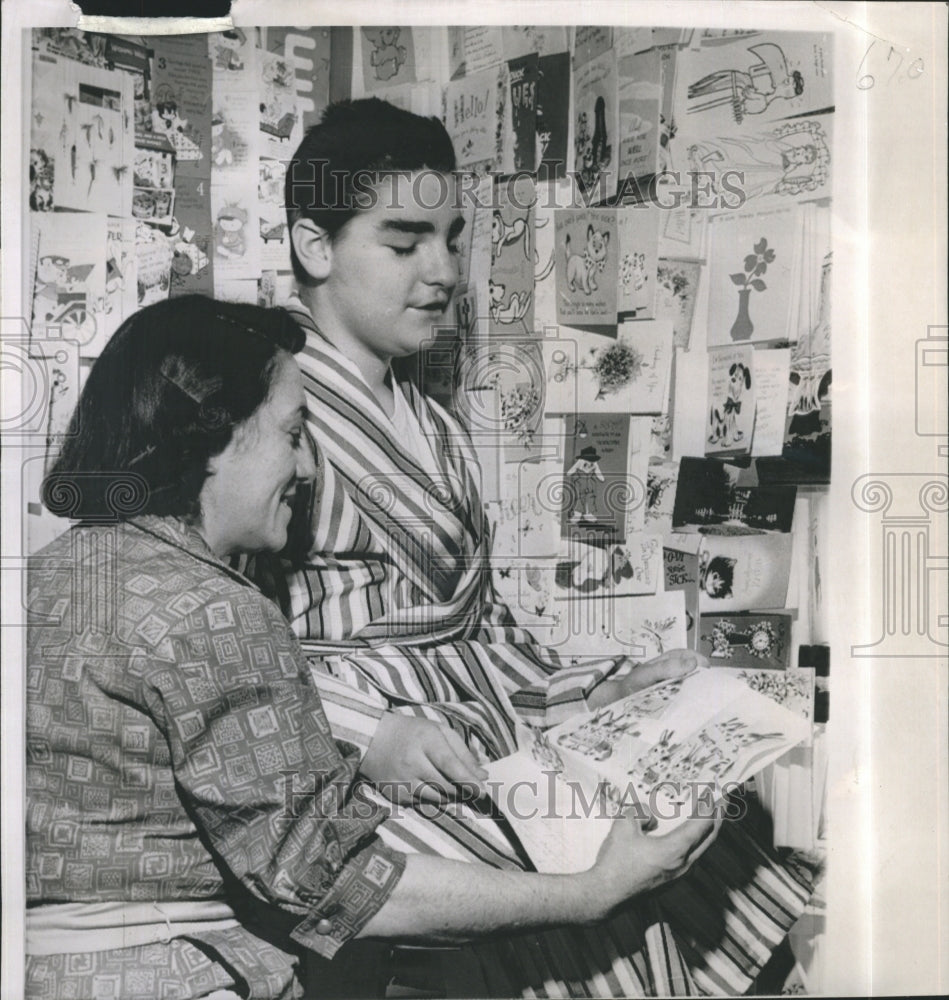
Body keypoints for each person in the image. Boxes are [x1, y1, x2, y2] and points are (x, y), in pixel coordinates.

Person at [24, 296, 718, 1000]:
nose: (305, 467)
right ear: (213, 435)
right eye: (292, 432)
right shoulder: (214, 611)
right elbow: (349, 890)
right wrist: (592, 892)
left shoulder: (47, 578)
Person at [274, 98, 815, 996]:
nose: (443, 271)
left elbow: (482, 626)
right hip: (354, 747)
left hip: (480, 720)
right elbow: (220, 643)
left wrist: (602, 688)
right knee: (578, 880)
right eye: (404, 243)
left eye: (453, 238)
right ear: (314, 246)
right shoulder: (266, 410)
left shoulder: (434, 423)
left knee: (688, 823)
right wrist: (366, 733)